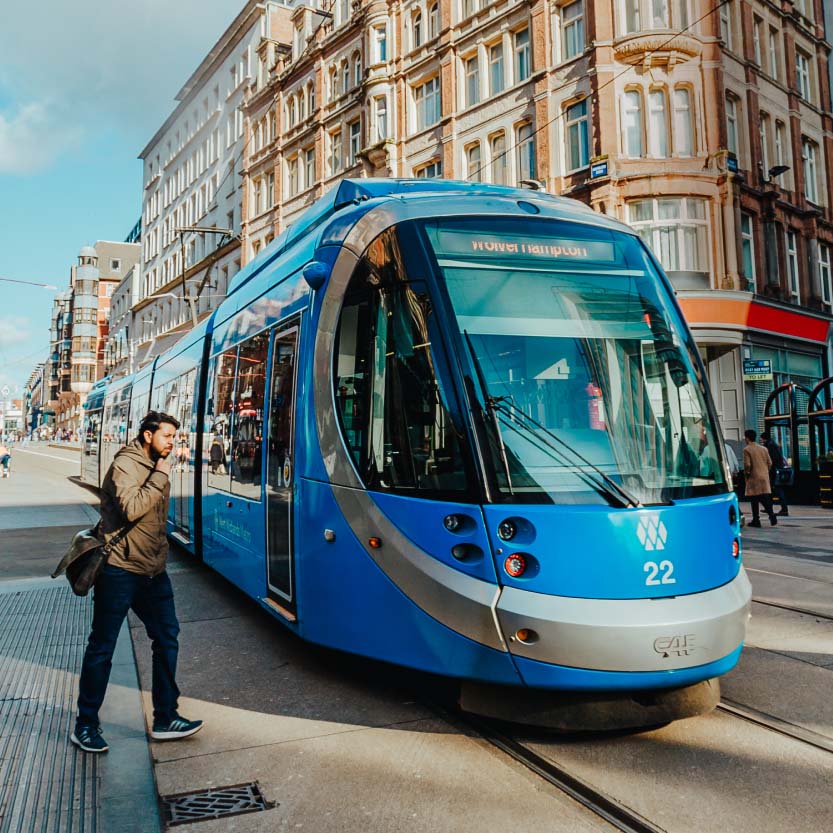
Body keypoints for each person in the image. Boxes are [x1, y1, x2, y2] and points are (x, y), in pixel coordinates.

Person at [72, 411, 203, 753]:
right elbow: (131, 509)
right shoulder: (126, 465)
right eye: (167, 436)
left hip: (152, 572)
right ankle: (85, 724)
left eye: (175, 437)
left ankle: (165, 717)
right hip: (119, 570)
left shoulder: (156, 462)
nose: (173, 443)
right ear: (148, 436)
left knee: (167, 637)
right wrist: (161, 473)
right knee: (102, 647)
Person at [743, 428, 777, 528]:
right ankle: (771, 515)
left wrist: (747, 473)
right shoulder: (764, 449)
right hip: (764, 476)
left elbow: (747, 465)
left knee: (754, 498)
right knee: (764, 497)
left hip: (754, 477)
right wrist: (765, 471)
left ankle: (756, 520)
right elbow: (770, 463)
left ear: (747, 438)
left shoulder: (747, 449)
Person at [760, 431, 789, 517]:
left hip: (773, 471)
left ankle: (783, 509)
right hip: (775, 470)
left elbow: (771, 460)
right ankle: (770, 507)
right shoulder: (773, 444)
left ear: (763, 438)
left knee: (777, 490)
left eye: (761, 438)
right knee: (773, 490)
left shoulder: (769, 446)